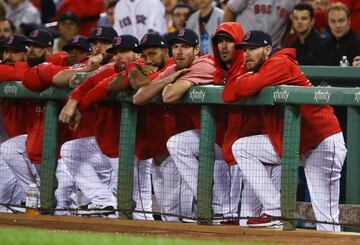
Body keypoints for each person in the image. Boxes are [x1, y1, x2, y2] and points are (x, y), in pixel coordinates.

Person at [224, 30, 346, 231]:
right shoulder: (258, 70)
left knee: (326, 218)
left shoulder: (281, 63)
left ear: (267, 49)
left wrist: (244, 79)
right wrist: (244, 78)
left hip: (322, 142)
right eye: (244, 50)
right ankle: (274, 209)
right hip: (295, 143)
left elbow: (244, 88)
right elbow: (228, 94)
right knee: (243, 147)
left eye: (253, 49)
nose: (247, 54)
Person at [223, 0, 300, 47]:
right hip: (245, 48)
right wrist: (227, 40)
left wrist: (282, 46)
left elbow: (289, 23)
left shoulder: (294, 1)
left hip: (272, 52)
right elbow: (231, 10)